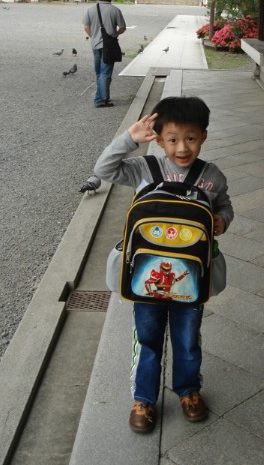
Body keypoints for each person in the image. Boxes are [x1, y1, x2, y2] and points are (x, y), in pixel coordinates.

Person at [93, 96, 233, 434]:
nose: (182, 147)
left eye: (191, 138)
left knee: (187, 337)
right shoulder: (145, 168)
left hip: (191, 278)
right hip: (146, 278)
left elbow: (226, 206)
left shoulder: (211, 177)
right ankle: (144, 398)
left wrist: (221, 221)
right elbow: (103, 170)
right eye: (172, 139)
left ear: (204, 136)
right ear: (158, 139)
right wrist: (129, 138)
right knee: (147, 336)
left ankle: (188, 390)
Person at [83, 0, 126, 107]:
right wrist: (115, 34)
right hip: (109, 46)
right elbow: (122, 27)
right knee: (105, 73)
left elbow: (86, 27)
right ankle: (102, 100)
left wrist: (93, 36)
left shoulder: (91, 9)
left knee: (99, 72)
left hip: (95, 45)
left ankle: (101, 97)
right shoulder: (115, 10)